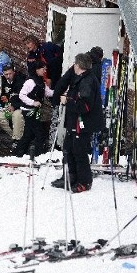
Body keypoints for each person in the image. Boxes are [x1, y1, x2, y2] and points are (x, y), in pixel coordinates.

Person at [51, 53, 102, 193]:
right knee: (68, 148)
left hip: (83, 122)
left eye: (75, 64)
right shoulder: (79, 77)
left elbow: (85, 106)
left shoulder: (88, 81)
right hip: (74, 121)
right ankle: (70, 176)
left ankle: (85, 182)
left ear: (78, 65)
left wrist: (67, 100)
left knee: (79, 151)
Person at [14, 61, 53, 156]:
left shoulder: (41, 82)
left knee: (28, 134)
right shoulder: (30, 82)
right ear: (37, 70)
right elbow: (21, 95)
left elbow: (49, 93)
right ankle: (38, 155)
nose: (45, 70)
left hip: (35, 111)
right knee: (40, 134)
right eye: (43, 69)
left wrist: (62, 92)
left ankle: (19, 153)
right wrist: (33, 102)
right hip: (28, 111)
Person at [0, 64, 27, 150]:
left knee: (16, 116)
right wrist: (3, 98)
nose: (8, 76)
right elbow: (3, 94)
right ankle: (14, 136)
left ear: (14, 72)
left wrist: (14, 106)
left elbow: (24, 98)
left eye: (10, 74)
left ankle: (17, 140)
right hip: (9, 105)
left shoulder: (21, 81)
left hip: (20, 106)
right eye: (6, 74)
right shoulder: (3, 80)